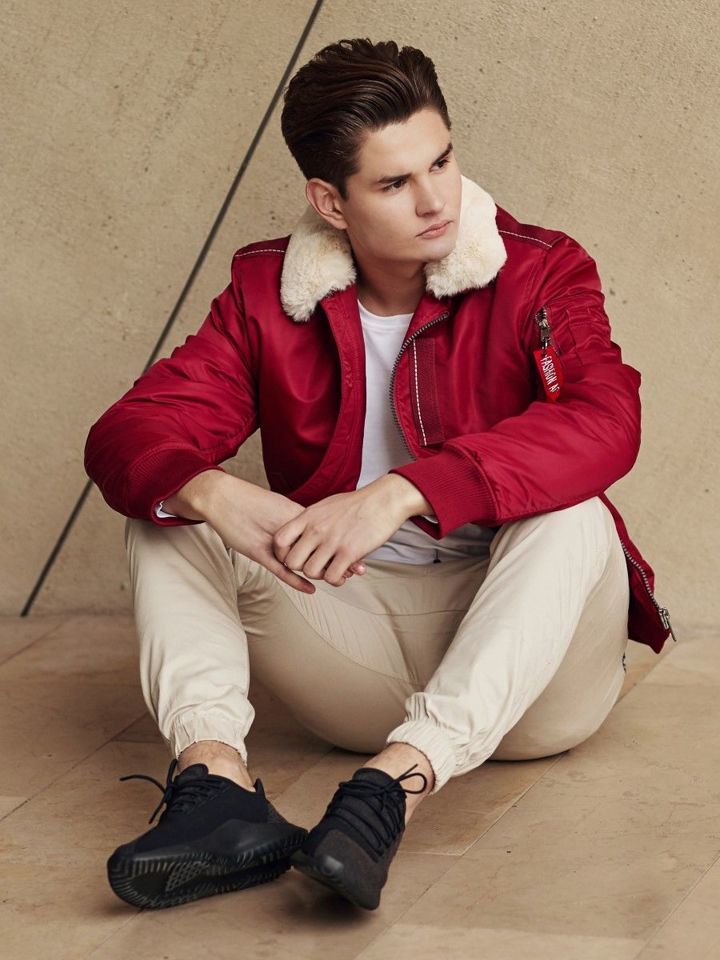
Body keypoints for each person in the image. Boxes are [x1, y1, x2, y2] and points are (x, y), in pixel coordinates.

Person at [84, 37, 674, 913]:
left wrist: (406, 490)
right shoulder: (267, 293)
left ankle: (390, 791)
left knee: (574, 512)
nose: (437, 199)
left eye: (441, 161)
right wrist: (210, 490)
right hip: (354, 650)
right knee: (167, 506)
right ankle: (216, 791)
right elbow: (129, 433)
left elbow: (605, 420)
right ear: (331, 201)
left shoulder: (538, 270)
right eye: (395, 184)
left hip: (534, 679)